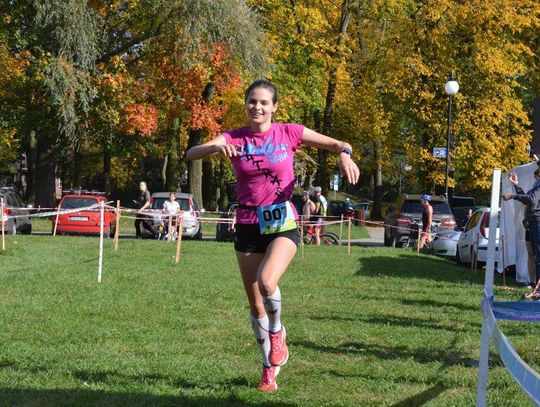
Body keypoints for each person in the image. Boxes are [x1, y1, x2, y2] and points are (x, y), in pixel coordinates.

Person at [186, 79, 359, 392]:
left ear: (274, 107)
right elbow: (191, 153)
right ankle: (268, 369)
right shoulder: (235, 136)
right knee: (255, 307)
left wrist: (345, 154)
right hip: (248, 224)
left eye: (264, 102)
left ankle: (278, 333)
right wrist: (215, 146)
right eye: (253, 101)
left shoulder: (289, 132)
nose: (258, 107)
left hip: (282, 223)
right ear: (247, 104)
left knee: (268, 281)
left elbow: (337, 143)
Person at [503, 170, 540, 298]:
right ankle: (532, 283)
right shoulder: (537, 184)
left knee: (538, 257)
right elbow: (526, 201)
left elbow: (530, 199)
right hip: (530, 223)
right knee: (531, 254)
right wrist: (516, 185)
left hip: (537, 223)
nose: (535, 175)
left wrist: (513, 196)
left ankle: (537, 290)